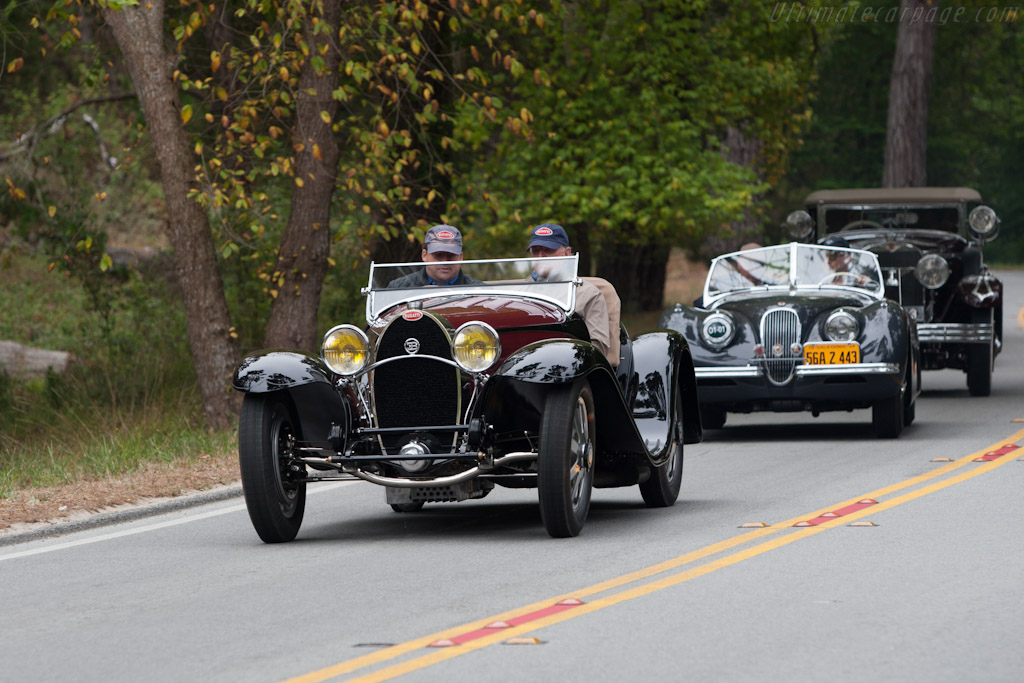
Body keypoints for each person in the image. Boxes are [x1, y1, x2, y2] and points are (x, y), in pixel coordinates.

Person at [527, 223, 612, 359]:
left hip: (570, 368)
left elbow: (598, 349)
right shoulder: (522, 292)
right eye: (535, 251)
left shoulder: (589, 294)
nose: (541, 256)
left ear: (567, 253)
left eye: (548, 250)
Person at [386, 224, 483, 288]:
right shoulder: (398, 288)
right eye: (439, 255)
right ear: (424, 255)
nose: (445, 262)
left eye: (451, 255)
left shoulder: (479, 292)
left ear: (461, 257)